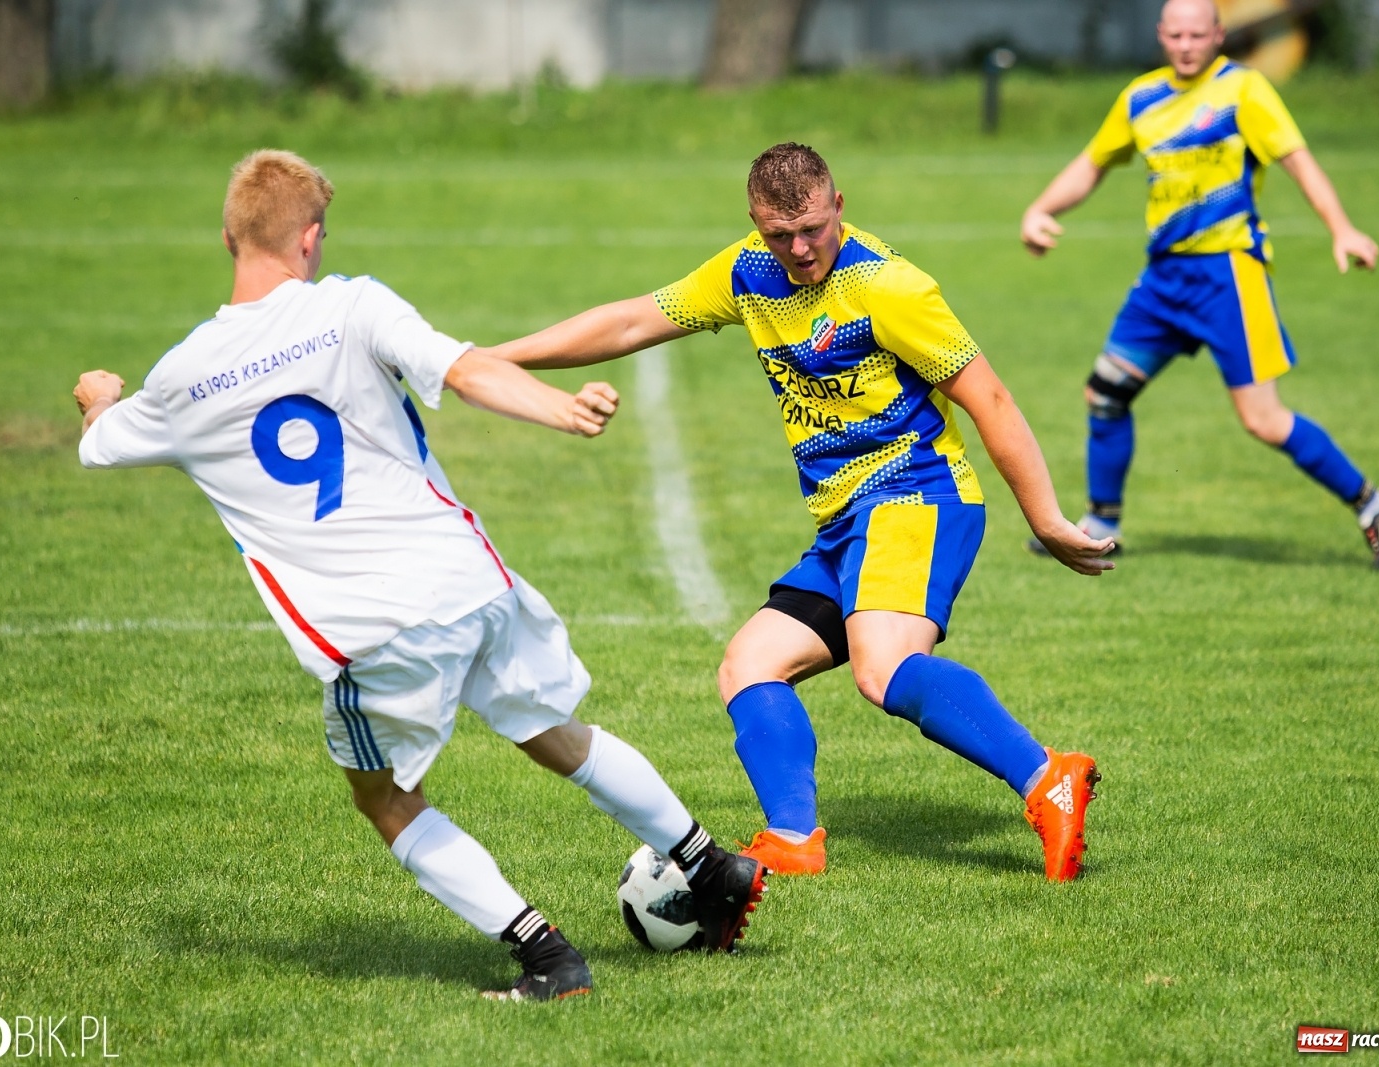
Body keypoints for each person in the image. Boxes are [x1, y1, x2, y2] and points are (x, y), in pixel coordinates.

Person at [71, 149, 767, 1002]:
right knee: (550, 726)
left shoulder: (182, 377)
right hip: (470, 579)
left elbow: (99, 442)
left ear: (228, 236)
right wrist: (561, 409)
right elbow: (466, 370)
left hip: (371, 627)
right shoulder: (355, 305)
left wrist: (99, 393)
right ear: (311, 239)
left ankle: (547, 957)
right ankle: (711, 866)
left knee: (386, 797)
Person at [492, 142, 1110, 881]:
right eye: (778, 234)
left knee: (883, 669)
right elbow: (630, 322)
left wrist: (1044, 519)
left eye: (811, 228)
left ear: (838, 206)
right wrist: (494, 359)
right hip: (845, 522)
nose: (798, 248)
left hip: (919, 496)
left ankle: (1048, 778)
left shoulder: (891, 290)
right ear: (756, 224)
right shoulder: (748, 272)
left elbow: (991, 400)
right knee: (749, 664)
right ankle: (791, 839)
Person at [1020, 0, 1379, 571]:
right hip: (1164, 279)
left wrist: (1341, 227)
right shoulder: (1141, 98)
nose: (1185, 45)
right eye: (1174, 34)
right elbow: (1093, 162)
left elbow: (1298, 160)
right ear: (1160, 35)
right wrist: (1041, 208)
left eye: (1196, 34)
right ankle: (1101, 523)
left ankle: (1375, 504)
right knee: (1105, 392)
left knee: (1263, 420)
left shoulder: (1243, 91)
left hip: (1228, 274)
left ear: (1219, 35)